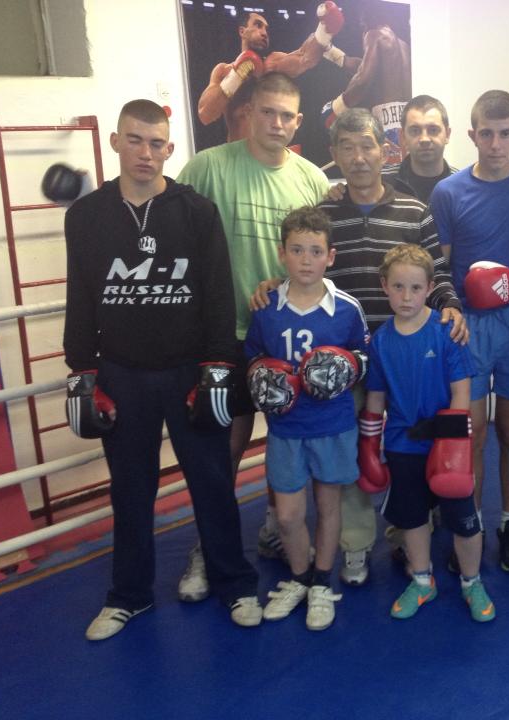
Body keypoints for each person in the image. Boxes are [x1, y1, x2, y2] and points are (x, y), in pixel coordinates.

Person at [64, 99, 261, 641]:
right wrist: (81, 370)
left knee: (212, 482)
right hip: (121, 372)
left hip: (189, 369)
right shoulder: (86, 215)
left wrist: (218, 366)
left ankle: (235, 583)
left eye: (156, 143)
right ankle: (128, 596)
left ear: (169, 149)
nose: (145, 153)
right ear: (116, 142)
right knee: (130, 489)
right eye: (134, 140)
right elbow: (81, 294)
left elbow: (217, 292)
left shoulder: (196, 211)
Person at [251, 108, 466, 585]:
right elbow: (304, 268)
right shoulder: (324, 214)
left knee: (409, 447)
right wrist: (274, 285)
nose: (359, 157)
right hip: (339, 361)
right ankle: (355, 544)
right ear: (334, 154)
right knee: (351, 458)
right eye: (346, 148)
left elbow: (437, 272)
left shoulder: (415, 210)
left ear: (384, 150)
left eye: (367, 146)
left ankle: (409, 532)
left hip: (405, 355)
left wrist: (450, 304)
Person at [176, 71, 330, 600]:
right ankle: (208, 548)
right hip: (227, 336)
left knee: (285, 443)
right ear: (249, 112)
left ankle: (271, 527)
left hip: (290, 337)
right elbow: (176, 235)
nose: (277, 124)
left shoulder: (312, 179)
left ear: (299, 121)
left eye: (287, 115)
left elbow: (320, 256)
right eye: (268, 112)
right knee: (225, 449)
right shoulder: (208, 167)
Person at [430, 90, 509, 573]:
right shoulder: (448, 192)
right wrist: (453, 306)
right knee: (470, 434)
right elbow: (440, 266)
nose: (496, 144)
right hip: (468, 326)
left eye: (505, 134)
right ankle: (470, 526)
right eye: (487, 134)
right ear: (472, 135)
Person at [244, 206, 369, 631]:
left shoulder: (347, 309)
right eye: (296, 250)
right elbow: (253, 356)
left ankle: (320, 583)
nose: (305, 260)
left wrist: (346, 367)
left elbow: (364, 356)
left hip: (332, 425)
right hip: (285, 429)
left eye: (315, 251)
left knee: (328, 506)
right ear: (282, 254)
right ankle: (298, 578)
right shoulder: (266, 308)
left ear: (330, 256)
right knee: (287, 515)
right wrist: (263, 377)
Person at [362, 243, 494, 622]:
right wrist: (369, 446)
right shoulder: (381, 341)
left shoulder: (445, 331)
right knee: (412, 518)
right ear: (384, 286)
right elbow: (375, 398)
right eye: (398, 287)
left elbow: (461, 392)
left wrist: (455, 446)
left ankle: (472, 582)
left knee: (464, 520)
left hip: (446, 445)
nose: (407, 296)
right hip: (403, 446)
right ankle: (422, 580)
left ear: (430, 288)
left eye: (416, 288)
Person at [196, 6, 350, 143]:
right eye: (258, 25)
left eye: (266, 29)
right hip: (236, 157)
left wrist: (324, 31)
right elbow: (205, 114)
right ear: (242, 31)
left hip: (270, 157)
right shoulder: (223, 71)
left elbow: (304, 58)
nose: (264, 32)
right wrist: (237, 75)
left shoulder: (273, 64)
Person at [321, 0, 412, 165]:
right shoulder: (403, 45)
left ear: (368, 18)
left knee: (382, 178)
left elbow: (363, 78)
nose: (362, 30)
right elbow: (363, 66)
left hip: (387, 124)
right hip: (407, 125)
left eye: (362, 25)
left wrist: (338, 106)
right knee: (402, 177)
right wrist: (330, 52)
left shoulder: (374, 34)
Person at [384, 95, 457, 202]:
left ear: (447, 134)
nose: (424, 139)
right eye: (415, 131)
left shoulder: (462, 185)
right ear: (403, 137)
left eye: (433, 130)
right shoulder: (382, 181)